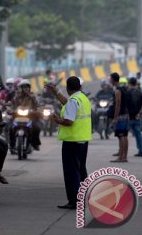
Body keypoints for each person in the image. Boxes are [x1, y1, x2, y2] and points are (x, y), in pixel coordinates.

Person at [45, 76, 92, 209]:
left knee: (72, 172)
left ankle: (74, 201)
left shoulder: (73, 101)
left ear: (67, 88)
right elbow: (67, 103)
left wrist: (56, 119)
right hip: (83, 140)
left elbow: (69, 121)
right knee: (81, 170)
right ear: (80, 87)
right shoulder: (82, 98)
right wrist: (56, 93)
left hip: (72, 141)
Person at [10, 79, 41, 152]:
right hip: (17, 116)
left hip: (30, 116)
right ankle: (12, 145)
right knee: (10, 127)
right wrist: (10, 110)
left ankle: (35, 143)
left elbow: (38, 105)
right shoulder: (16, 97)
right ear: (20, 88)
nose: (26, 88)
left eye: (27, 87)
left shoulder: (33, 96)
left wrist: (37, 110)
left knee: (37, 127)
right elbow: (12, 106)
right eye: (24, 87)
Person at [109, 73, 129, 162]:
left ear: (113, 79)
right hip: (126, 114)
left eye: (110, 79)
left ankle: (121, 157)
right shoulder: (123, 89)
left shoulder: (117, 91)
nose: (110, 80)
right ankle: (124, 156)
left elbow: (118, 104)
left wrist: (115, 117)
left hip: (120, 116)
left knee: (121, 136)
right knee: (124, 136)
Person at [127, 77, 142, 157]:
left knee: (123, 135)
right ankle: (141, 151)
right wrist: (140, 113)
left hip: (128, 117)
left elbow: (125, 105)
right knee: (138, 134)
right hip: (137, 117)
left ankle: (122, 152)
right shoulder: (140, 92)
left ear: (129, 83)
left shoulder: (127, 93)